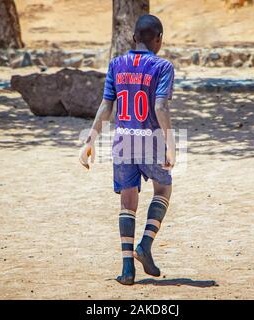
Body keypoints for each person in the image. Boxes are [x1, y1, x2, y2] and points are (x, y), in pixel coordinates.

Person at [79, 14, 176, 285]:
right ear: (159, 40)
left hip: (122, 140)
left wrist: (90, 141)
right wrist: (171, 146)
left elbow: (106, 106)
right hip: (150, 139)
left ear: (133, 38)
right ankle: (145, 245)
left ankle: (127, 270)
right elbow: (160, 107)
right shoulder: (163, 66)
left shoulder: (116, 64)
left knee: (127, 201)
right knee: (163, 188)